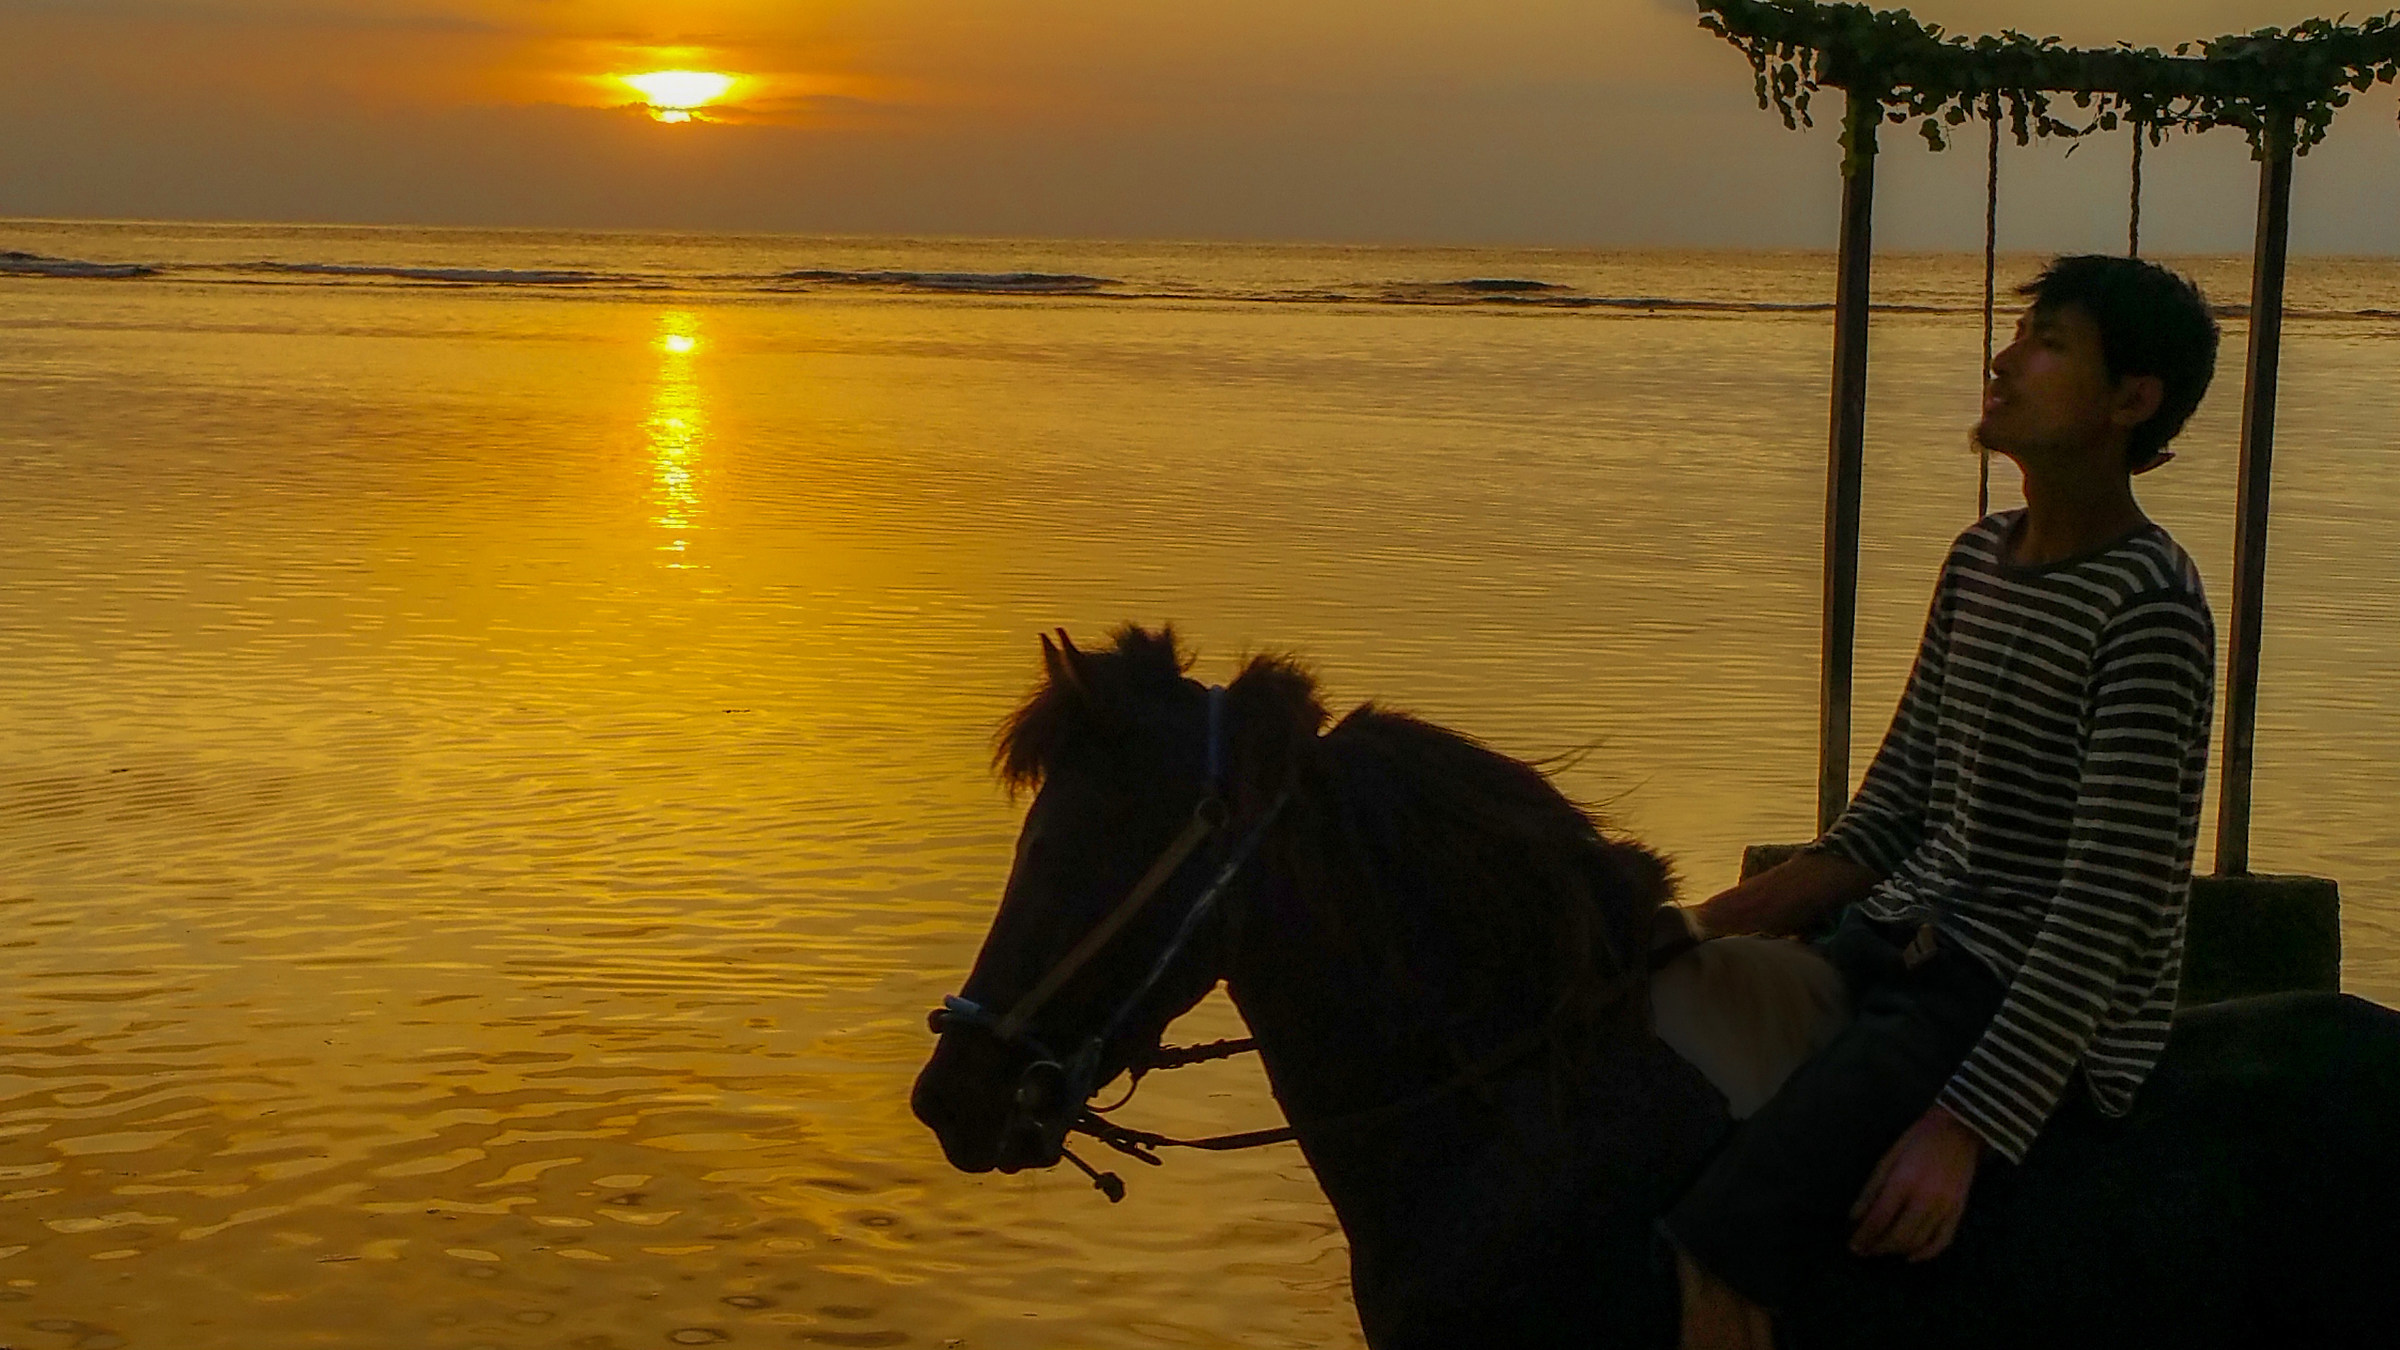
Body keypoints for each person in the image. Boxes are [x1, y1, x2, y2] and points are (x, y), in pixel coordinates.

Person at [1661, 254, 2223, 1349]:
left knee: (1717, 1237)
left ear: (2132, 400)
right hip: (1892, 944)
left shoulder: (2150, 608)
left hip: (1994, 989)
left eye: (2051, 342)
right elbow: (1888, 817)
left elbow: (2104, 908)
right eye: (2021, 336)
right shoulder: (1978, 561)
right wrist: (1686, 933)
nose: (2004, 361)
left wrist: (1967, 1126)